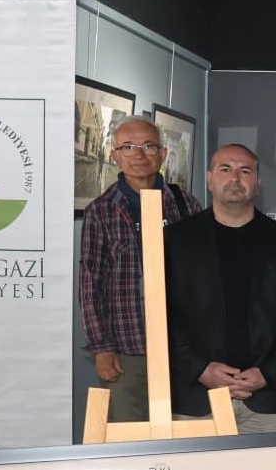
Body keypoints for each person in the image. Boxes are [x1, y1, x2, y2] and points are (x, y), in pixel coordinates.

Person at [164, 144, 276, 432]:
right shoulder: (174, 240)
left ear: (258, 182)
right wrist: (200, 369)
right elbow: (161, 315)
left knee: (268, 466)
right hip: (194, 398)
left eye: (245, 171)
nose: (235, 178)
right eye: (225, 169)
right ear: (209, 178)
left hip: (265, 400)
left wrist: (268, 373)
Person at [80, 114, 202, 421]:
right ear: (115, 155)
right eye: (129, 147)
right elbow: (90, 284)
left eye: (149, 146)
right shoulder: (101, 211)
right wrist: (101, 348)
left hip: (182, 349)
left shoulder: (186, 205)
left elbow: (204, 277)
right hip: (126, 348)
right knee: (129, 435)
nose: (139, 155)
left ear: (163, 153)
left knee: (184, 434)